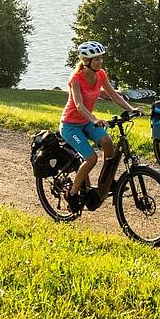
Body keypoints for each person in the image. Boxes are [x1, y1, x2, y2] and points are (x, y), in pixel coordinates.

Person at [61, 40, 137, 211]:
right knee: (91, 158)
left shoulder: (101, 74)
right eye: (96, 59)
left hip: (86, 122)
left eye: (101, 58)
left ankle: (107, 182)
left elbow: (113, 95)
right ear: (86, 61)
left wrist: (132, 109)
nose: (100, 62)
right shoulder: (76, 79)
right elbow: (79, 105)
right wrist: (94, 119)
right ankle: (72, 194)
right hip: (70, 126)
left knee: (108, 143)